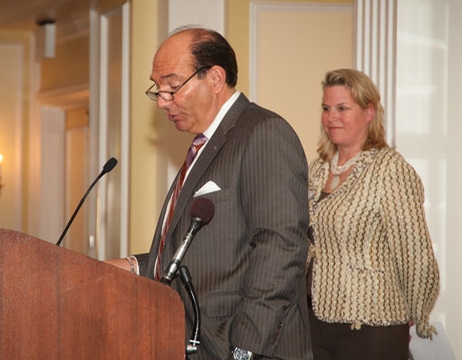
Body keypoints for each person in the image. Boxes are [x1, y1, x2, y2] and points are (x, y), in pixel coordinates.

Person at [112, 26, 312, 360]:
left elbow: (280, 249)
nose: (162, 101)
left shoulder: (263, 133)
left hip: (241, 347)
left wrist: (245, 350)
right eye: (157, 90)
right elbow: (202, 252)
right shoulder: (204, 145)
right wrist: (132, 266)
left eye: (173, 88)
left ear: (215, 78)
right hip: (197, 342)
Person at [306, 68, 440, 360]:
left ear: (369, 112)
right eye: (326, 108)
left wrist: (418, 312)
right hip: (314, 326)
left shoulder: (389, 170)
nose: (331, 117)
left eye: (342, 108)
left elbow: (415, 253)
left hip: (372, 328)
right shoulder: (317, 170)